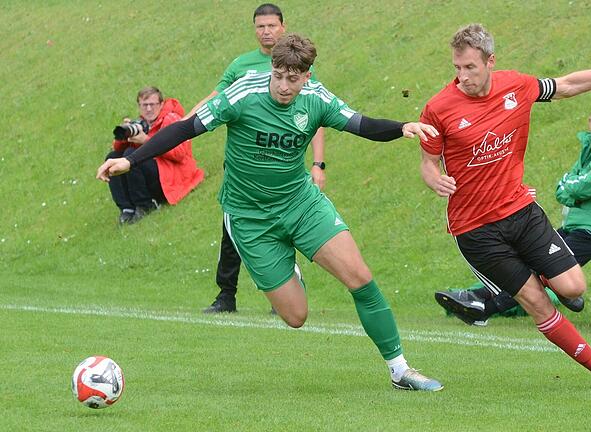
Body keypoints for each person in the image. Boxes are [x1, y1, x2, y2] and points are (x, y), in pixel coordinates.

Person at [97, 34, 443, 391]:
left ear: (306, 76)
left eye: (292, 78)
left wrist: (403, 127)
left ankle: (400, 369)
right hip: (250, 218)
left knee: (360, 278)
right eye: (277, 74)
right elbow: (185, 128)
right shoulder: (243, 93)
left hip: (300, 204)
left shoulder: (315, 98)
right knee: (296, 316)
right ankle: (288, 262)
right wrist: (131, 159)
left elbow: (361, 124)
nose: (282, 85)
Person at [419, 24, 591, 391]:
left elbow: (567, 85)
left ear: (491, 61)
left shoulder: (517, 86)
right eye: (457, 67)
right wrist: (433, 178)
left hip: (521, 211)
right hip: (476, 228)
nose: (462, 76)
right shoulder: (439, 108)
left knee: (573, 287)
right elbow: (428, 162)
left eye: (470, 67)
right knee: (536, 302)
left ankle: (489, 299)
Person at [436, 100, 591, 325]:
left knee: (545, 265)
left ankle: (485, 307)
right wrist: (571, 189)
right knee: (529, 256)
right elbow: (566, 185)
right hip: (585, 225)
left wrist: (571, 189)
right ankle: (482, 295)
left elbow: (577, 185)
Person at [186, 3, 326, 314]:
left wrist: (318, 163)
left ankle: (288, 283)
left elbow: (314, 116)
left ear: (283, 26)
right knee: (232, 229)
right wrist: (185, 122)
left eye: (271, 26)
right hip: (243, 166)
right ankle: (226, 295)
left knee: (287, 226)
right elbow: (216, 98)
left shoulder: (297, 67)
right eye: (260, 26)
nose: (266, 32)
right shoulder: (241, 66)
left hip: (281, 166)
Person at [106, 87, 204, 224]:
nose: (148, 109)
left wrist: (146, 141)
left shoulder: (171, 119)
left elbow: (180, 155)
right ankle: (127, 208)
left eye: (152, 104)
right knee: (113, 158)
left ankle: (146, 205)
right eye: (144, 105)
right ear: (139, 106)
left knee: (131, 155)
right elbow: (117, 150)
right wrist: (125, 135)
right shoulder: (141, 123)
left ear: (162, 104)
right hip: (157, 174)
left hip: (172, 175)